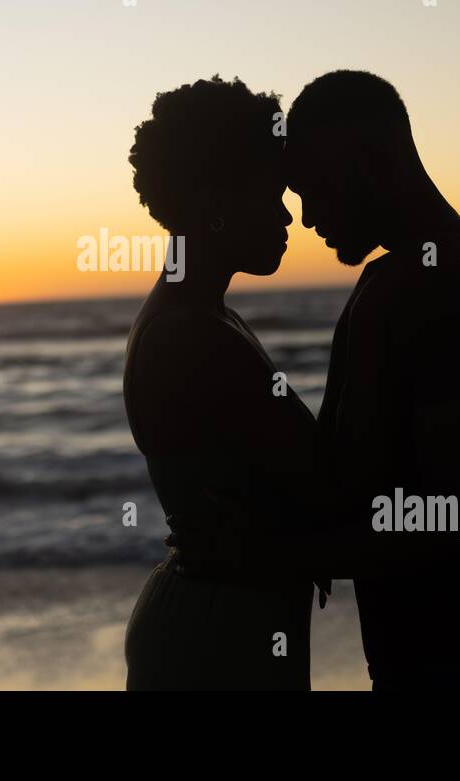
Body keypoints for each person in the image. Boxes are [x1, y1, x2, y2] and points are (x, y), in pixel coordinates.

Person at [281, 69, 460, 690]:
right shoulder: (409, 278)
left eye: (317, 188)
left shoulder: (445, 288)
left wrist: (286, 553)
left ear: (372, 159)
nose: (307, 217)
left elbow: (457, 520)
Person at [121, 75, 326, 690]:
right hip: (218, 633)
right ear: (214, 203)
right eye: (270, 193)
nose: (288, 213)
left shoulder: (202, 317)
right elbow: (314, 488)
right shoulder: (189, 334)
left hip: (225, 616)